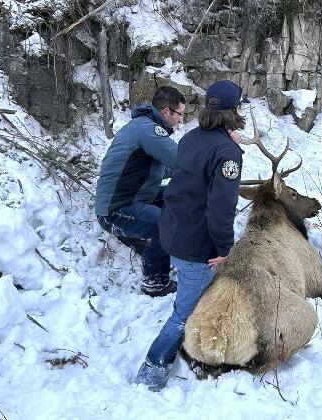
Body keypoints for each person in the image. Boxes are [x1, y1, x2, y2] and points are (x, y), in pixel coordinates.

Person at [133, 80, 246, 391]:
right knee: (183, 312)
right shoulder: (228, 153)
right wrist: (225, 247)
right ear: (234, 111)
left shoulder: (192, 138)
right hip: (197, 247)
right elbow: (220, 209)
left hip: (174, 233)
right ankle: (153, 368)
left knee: (194, 296)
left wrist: (228, 144)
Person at [95, 86, 186, 297]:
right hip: (115, 210)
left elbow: (164, 169)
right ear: (166, 112)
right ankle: (155, 282)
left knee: (179, 193)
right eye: (180, 114)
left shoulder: (144, 127)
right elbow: (181, 161)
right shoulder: (148, 131)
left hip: (137, 196)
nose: (181, 120)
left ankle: (167, 246)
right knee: (165, 223)